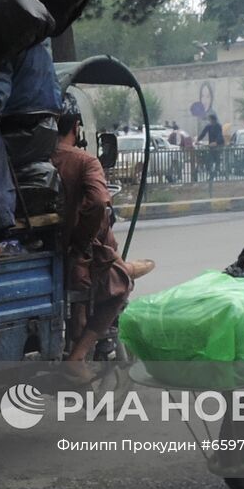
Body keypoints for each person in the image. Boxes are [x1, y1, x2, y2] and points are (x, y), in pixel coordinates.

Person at [52, 104, 155, 381]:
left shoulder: (36, 159)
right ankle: (76, 357)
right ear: (76, 128)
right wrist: (82, 243)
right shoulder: (85, 161)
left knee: (90, 283)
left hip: (45, 256)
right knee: (120, 287)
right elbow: (98, 202)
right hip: (76, 257)